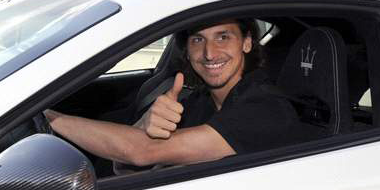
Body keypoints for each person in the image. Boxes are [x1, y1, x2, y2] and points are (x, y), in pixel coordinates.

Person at [45, 20, 302, 168]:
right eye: (198, 40)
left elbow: (143, 152)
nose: (210, 53)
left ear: (246, 42)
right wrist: (145, 124)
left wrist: (51, 118)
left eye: (222, 37)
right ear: (187, 50)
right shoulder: (198, 102)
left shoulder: (263, 109)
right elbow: (125, 170)